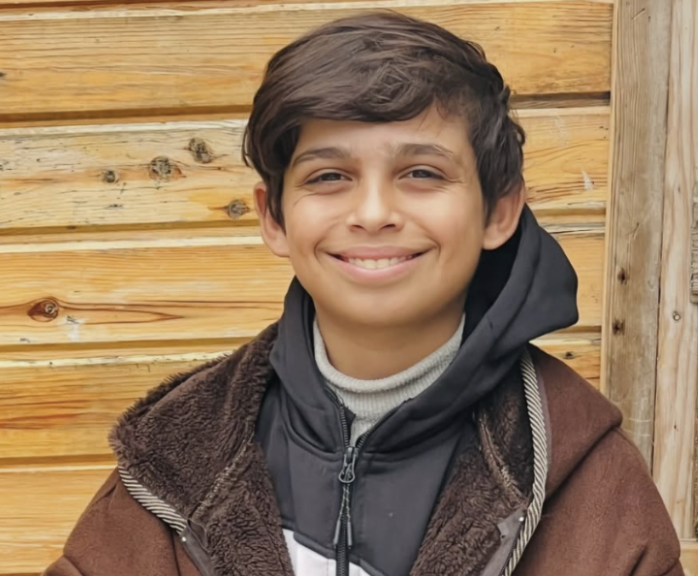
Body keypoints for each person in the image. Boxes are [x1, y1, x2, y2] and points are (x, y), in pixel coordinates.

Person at [44, 10, 683, 576]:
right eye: (329, 176)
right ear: (274, 218)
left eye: (422, 172)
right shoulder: (174, 457)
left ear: (499, 212)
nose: (373, 213)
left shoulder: (586, 476)